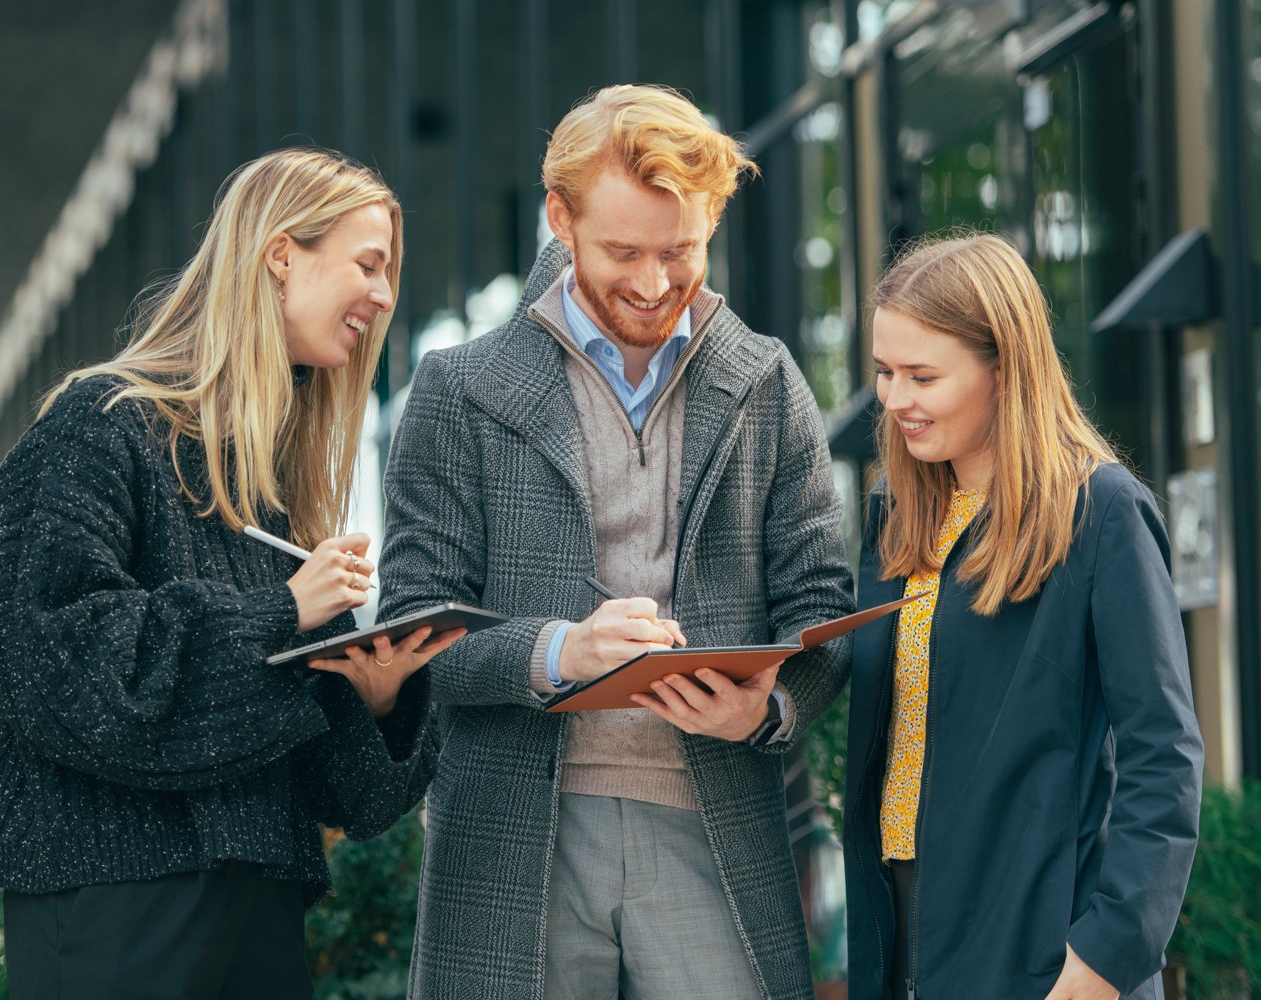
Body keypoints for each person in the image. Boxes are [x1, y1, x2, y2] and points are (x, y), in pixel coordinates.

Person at [378, 84, 855, 1000]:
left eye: (680, 252)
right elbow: (414, 629)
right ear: (558, 218)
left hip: (714, 820)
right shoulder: (459, 391)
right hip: (518, 834)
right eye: (622, 252)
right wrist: (564, 651)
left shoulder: (767, 384)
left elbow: (820, 609)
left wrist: (767, 709)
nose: (650, 283)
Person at [0, 147, 462, 999]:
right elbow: (41, 658)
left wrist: (378, 696)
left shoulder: (274, 497)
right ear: (282, 255)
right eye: (368, 263)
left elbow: (342, 789)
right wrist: (279, 613)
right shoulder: (98, 430)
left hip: (261, 909)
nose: (385, 296)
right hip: (113, 899)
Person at [843, 232, 1204, 1000]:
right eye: (884, 372)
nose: (895, 399)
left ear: (1002, 370)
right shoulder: (894, 512)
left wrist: (1109, 952)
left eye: (922, 375)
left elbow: (1164, 750)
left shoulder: (1101, 513)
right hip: (901, 925)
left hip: (1044, 947)